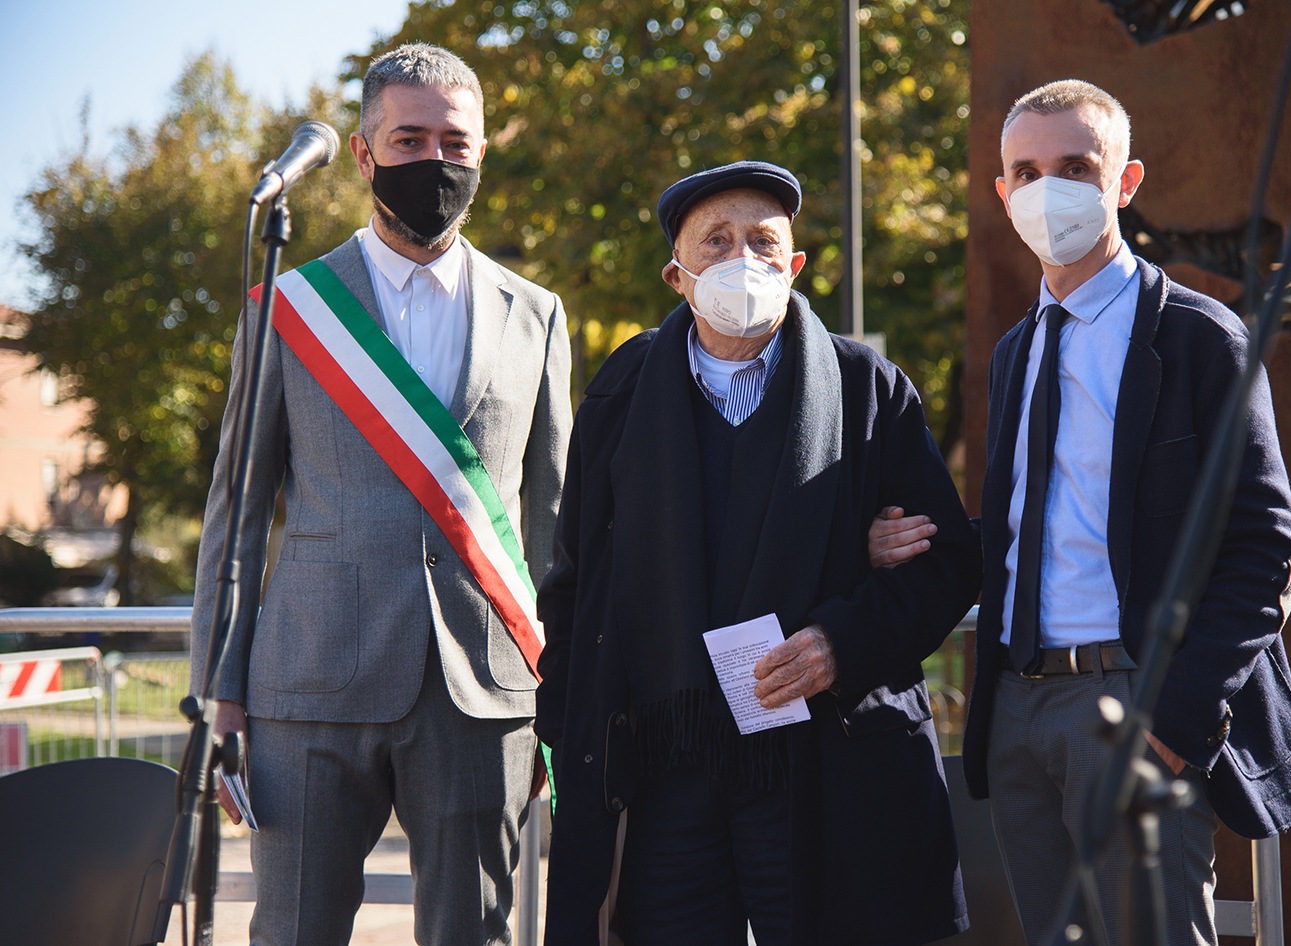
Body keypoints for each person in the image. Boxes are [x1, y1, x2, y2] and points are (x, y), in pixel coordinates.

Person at [533, 161, 983, 946]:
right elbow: (575, 578)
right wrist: (569, 734)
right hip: (668, 764)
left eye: (763, 242)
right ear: (677, 275)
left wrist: (838, 642)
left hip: (824, 759)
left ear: (795, 265)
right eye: (716, 242)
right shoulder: (621, 391)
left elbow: (944, 565)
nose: (742, 259)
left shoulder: (866, 388)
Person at [188, 43, 571, 946]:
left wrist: (564, 688)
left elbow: (554, 519)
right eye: (408, 140)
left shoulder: (537, 313)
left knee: (469, 934)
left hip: (483, 690)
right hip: (308, 686)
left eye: (454, 143)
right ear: (363, 155)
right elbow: (235, 513)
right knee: (291, 932)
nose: (432, 162)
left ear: (480, 154)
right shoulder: (290, 305)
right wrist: (220, 690)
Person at [954, 79, 1291, 945]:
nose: (1050, 190)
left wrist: (1175, 721)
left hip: (1130, 707)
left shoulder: (1198, 337)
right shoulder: (1016, 350)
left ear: (1125, 181)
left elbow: (1265, 545)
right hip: (1017, 710)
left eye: (1075, 166)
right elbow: (1027, 525)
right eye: (1027, 171)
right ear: (1003, 196)